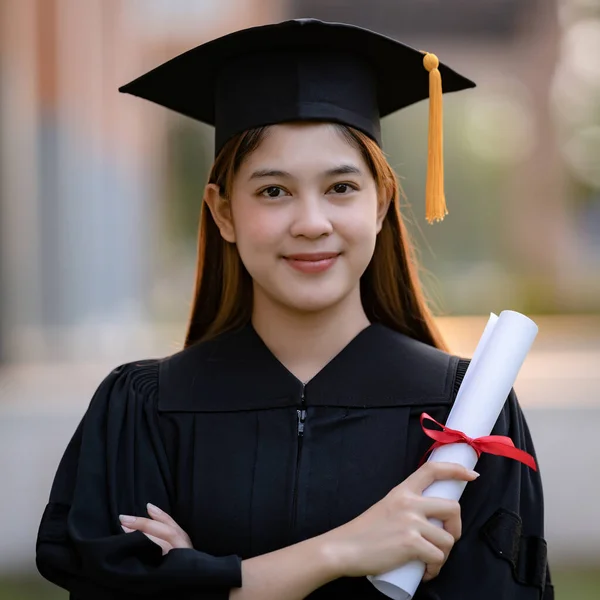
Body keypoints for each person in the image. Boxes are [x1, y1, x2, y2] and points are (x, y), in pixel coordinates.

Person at [35, 18, 553, 600]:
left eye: (341, 188)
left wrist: (202, 580)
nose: (311, 223)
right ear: (223, 211)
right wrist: (342, 551)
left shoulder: (468, 418)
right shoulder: (143, 412)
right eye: (273, 191)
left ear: (381, 204)